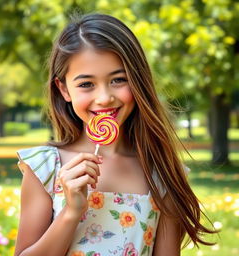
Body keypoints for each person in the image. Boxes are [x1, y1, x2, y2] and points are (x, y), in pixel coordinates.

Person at [14, 13, 215, 256]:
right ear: (64, 89)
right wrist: (71, 212)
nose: (105, 98)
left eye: (118, 79)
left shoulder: (161, 173)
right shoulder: (45, 168)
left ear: (138, 80)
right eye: (86, 84)